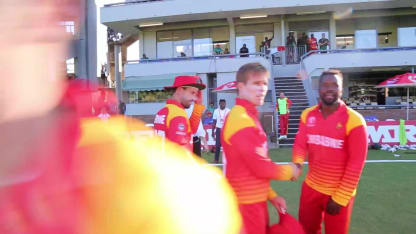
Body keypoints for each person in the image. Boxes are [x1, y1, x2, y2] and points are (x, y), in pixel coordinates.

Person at [0, 1, 243, 234]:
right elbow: (182, 143)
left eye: (196, 93)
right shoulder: (149, 187)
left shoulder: (160, 190)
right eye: (192, 91)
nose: (195, 96)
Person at [221, 63, 301, 234]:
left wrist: (271, 196)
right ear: (241, 87)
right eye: (256, 84)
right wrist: (291, 170)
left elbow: (252, 170)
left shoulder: (248, 116)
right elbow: (260, 167)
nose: (262, 89)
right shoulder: (240, 118)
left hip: (254, 201)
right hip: (245, 206)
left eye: (265, 84)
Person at [292, 70, 368, 234]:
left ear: (341, 89)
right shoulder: (307, 115)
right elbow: (300, 144)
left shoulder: (355, 121)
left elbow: (356, 164)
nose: (329, 89)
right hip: (311, 189)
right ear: (318, 88)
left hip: (338, 193)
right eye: (325, 85)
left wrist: (340, 197)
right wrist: (297, 163)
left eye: (334, 85)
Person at [154, 75, 205, 152]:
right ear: (180, 90)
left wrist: (198, 106)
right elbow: (179, 151)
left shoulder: (164, 110)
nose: (195, 98)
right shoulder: (178, 114)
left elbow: (190, 131)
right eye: (192, 93)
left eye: (196, 94)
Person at [212, 99, 230, 164]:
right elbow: (214, 121)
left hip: (226, 129)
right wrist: (212, 131)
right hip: (218, 129)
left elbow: (230, 121)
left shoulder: (228, 111)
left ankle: (227, 160)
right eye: (221, 103)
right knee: (217, 145)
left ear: (225, 104)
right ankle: (216, 160)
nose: (223, 104)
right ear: (219, 104)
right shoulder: (216, 111)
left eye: (224, 103)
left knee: (226, 145)